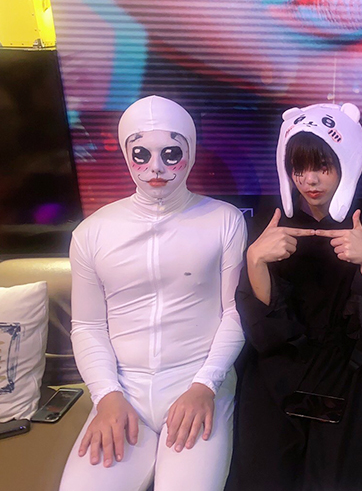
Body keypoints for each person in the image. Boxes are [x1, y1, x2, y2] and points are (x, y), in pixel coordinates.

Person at [60, 96, 247, 491]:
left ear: (190, 153)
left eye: (171, 153)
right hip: (121, 389)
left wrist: (206, 384)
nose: (156, 167)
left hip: (199, 381)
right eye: (141, 154)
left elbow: (235, 312)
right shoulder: (91, 232)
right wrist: (106, 394)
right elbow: (88, 325)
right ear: (126, 154)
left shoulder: (225, 220)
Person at [227, 102, 362, 491]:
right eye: (298, 168)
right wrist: (256, 261)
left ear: (346, 163)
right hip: (276, 375)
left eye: (323, 166)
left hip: (342, 377)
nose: (310, 180)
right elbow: (263, 332)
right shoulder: (267, 223)